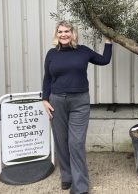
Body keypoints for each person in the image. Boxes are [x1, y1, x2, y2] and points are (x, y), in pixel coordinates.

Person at [42, 21, 112, 194]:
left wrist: (109, 41)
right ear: (56, 34)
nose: (63, 34)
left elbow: (104, 60)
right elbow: (47, 78)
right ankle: (66, 176)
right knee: (61, 141)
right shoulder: (51, 54)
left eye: (67, 31)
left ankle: (80, 186)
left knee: (76, 143)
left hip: (79, 102)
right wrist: (44, 99)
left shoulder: (83, 51)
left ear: (73, 33)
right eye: (60, 32)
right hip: (56, 101)